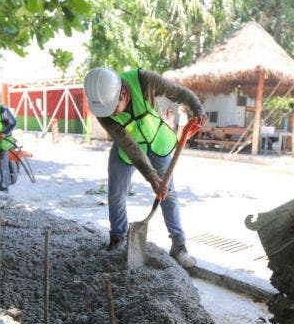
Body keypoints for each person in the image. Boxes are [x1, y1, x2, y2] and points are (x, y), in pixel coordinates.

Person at [83, 67, 207, 269]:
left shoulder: (144, 80)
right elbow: (129, 145)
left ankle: (179, 246)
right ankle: (118, 238)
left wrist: (198, 109)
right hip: (127, 150)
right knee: (115, 193)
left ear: (123, 92)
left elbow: (179, 92)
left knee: (169, 194)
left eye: (115, 108)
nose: (112, 113)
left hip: (156, 143)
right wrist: (152, 177)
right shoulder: (102, 109)